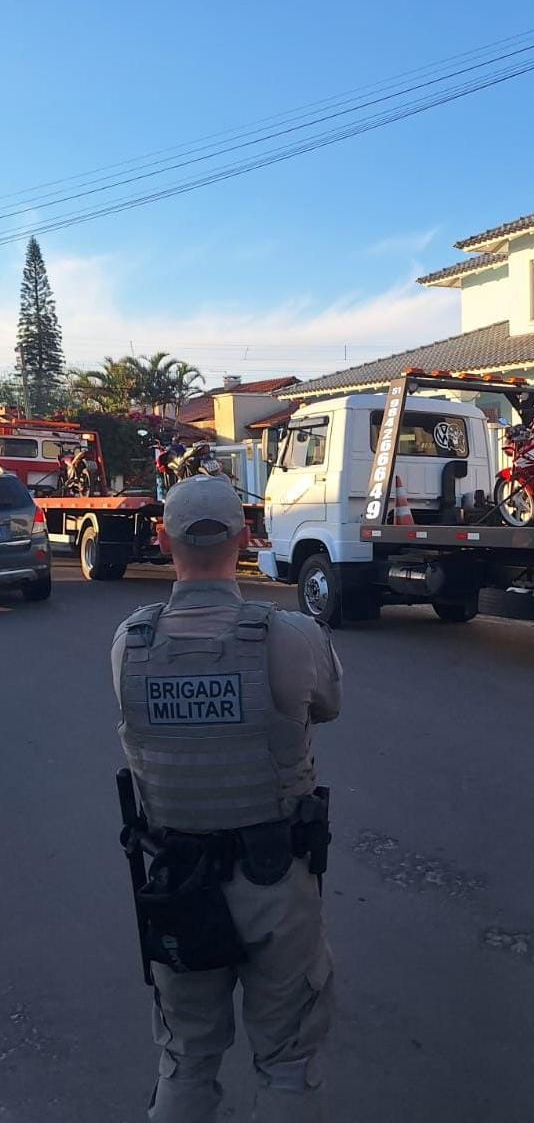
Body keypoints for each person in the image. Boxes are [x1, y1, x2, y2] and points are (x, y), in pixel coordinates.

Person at [111, 475, 341, 1122]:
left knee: (186, 1058)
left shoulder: (131, 643)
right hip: (275, 885)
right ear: (245, 539)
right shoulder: (287, 636)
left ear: (161, 538)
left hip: (179, 887)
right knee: (287, 1065)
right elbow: (329, 704)